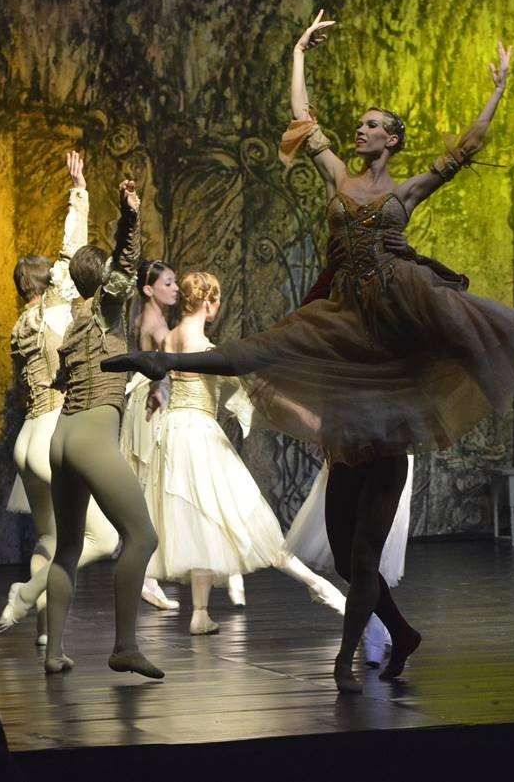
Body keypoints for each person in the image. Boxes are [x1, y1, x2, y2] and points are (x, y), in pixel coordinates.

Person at [105, 13, 514, 693]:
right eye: (359, 125)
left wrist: (498, 89)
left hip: (398, 301)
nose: (359, 131)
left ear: (390, 139)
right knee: (285, 403)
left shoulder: (404, 189)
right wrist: (298, 52)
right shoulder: (338, 174)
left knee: (482, 322)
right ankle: (168, 363)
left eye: (370, 125)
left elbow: (465, 148)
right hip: (345, 317)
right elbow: (303, 120)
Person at [145, 271, 346, 635]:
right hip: (197, 434)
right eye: (217, 301)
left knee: (202, 522)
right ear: (209, 304)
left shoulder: (170, 337)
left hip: (174, 432)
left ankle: (200, 612)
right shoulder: (204, 348)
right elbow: (239, 392)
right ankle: (317, 584)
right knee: (247, 515)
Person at [0, 152, 120, 641]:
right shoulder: (53, 308)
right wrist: (79, 191)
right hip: (51, 435)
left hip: (27, 440)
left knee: (50, 538)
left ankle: (48, 633)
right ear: (47, 282)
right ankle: (27, 595)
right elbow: (71, 250)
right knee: (102, 537)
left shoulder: (20, 325)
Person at [45, 178, 163, 679]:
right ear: (106, 281)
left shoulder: (74, 321)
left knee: (68, 547)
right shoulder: (105, 310)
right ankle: (125, 646)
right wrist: (130, 216)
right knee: (142, 537)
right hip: (91, 433)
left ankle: (53, 653)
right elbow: (125, 265)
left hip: (62, 436)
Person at [283, 456, 414, 666]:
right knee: (347, 561)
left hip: (381, 455)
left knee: (364, 559)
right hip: (346, 455)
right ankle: (396, 632)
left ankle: (350, 657)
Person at [119, 259, 182, 611]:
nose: (175, 288)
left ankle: (148, 573)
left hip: (148, 395)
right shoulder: (153, 322)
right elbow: (165, 365)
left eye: (175, 282)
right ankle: (146, 577)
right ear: (148, 289)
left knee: (150, 483)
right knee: (149, 483)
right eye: (168, 283)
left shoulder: (148, 318)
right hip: (149, 399)